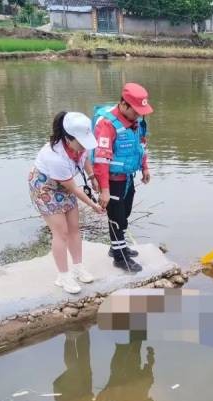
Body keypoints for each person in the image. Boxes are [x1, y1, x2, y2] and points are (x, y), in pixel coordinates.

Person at [28, 111, 104, 295]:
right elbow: (74, 189)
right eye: (81, 142)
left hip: (64, 183)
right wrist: (93, 204)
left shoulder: (79, 144)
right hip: (45, 188)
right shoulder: (55, 157)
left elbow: (84, 156)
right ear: (68, 138)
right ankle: (63, 276)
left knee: (74, 228)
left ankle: (78, 267)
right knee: (60, 232)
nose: (83, 146)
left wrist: (92, 176)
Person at [93, 83, 153, 273]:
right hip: (112, 181)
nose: (138, 115)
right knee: (116, 217)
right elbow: (101, 160)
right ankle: (119, 258)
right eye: (135, 111)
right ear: (123, 104)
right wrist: (104, 190)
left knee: (125, 214)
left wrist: (145, 167)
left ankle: (118, 247)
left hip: (127, 178)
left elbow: (141, 145)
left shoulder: (137, 122)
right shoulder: (107, 124)